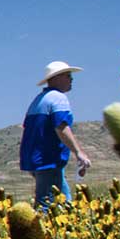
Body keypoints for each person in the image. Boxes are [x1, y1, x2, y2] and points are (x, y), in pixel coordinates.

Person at [21, 61, 93, 208]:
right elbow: (61, 127)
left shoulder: (39, 100)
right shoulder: (58, 98)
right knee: (48, 206)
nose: (71, 79)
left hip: (35, 160)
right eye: (68, 76)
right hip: (48, 160)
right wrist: (79, 152)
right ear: (56, 78)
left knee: (65, 202)